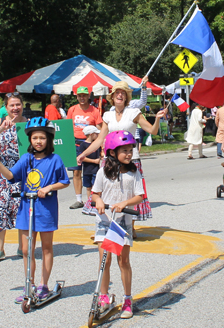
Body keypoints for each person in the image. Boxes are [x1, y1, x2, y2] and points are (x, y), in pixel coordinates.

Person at [0, 117, 70, 301]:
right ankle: (29, 284)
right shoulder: (26, 158)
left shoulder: (55, 159)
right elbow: (10, 176)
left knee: (47, 248)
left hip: (46, 209)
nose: (38, 141)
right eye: (34, 138)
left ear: (48, 139)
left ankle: (43, 285)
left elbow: (64, 181)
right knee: (26, 249)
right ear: (29, 140)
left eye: (42, 138)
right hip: (26, 208)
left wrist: (49, 188)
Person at [78, 81, 166, 237]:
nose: (120, 95)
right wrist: (84, 154)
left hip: (130, 158)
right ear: (112, 96)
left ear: (126, 97)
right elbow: (99, 140)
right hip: (110, 158)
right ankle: (104, 226)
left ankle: (129, 228)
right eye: (117, 92)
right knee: (106, 191)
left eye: (123, 93)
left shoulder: (134, 113)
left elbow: (152, 130)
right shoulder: (108, 115)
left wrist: (157, 118)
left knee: (130, 192)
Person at [92, 130, 144, 319]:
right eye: (124, 150)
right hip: (105, 222)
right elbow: (95, 193)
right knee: (104, 260)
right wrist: (97, 200)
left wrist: (125, 203)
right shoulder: (102, 172)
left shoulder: (133, 172)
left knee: (123, 261)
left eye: (130, 150)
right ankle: (104, 296)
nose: (129, 154)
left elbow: (140, 195)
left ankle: (128, 299)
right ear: (112, 152)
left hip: (122, 223)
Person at [0, 92, 27, 262]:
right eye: (11, 105)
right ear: (6, 107)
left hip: (23, 174)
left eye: (18, 104)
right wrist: (2, 128)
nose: (15, 108)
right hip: (2, 172)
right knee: (0, 209)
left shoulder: (28, 124)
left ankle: (21, 246)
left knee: (21, 209)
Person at [67, 86, 103, 209]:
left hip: (90, 145)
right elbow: (67, 126)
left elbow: (99, 127)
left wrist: (102, 143)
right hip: (75, 144)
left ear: (88, 96)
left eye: (84, 95)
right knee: (76, 172)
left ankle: (92, 199)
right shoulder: (72, 109)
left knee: (91, 172)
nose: (82, 98)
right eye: (80, 95)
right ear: (77, 97)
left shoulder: (94, 110)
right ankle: (78, 199)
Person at [78, 126, 101, 201]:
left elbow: (101, 153)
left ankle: (96, 201)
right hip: (87, 170)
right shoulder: (83, 145)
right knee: (88, 187)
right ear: (91, 134)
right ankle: (90, 201)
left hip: (96, 169)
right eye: (96, 134)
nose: (97, 135)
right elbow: (82, 157)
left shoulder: (97, 144)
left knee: (95, 186)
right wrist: (94, 161)